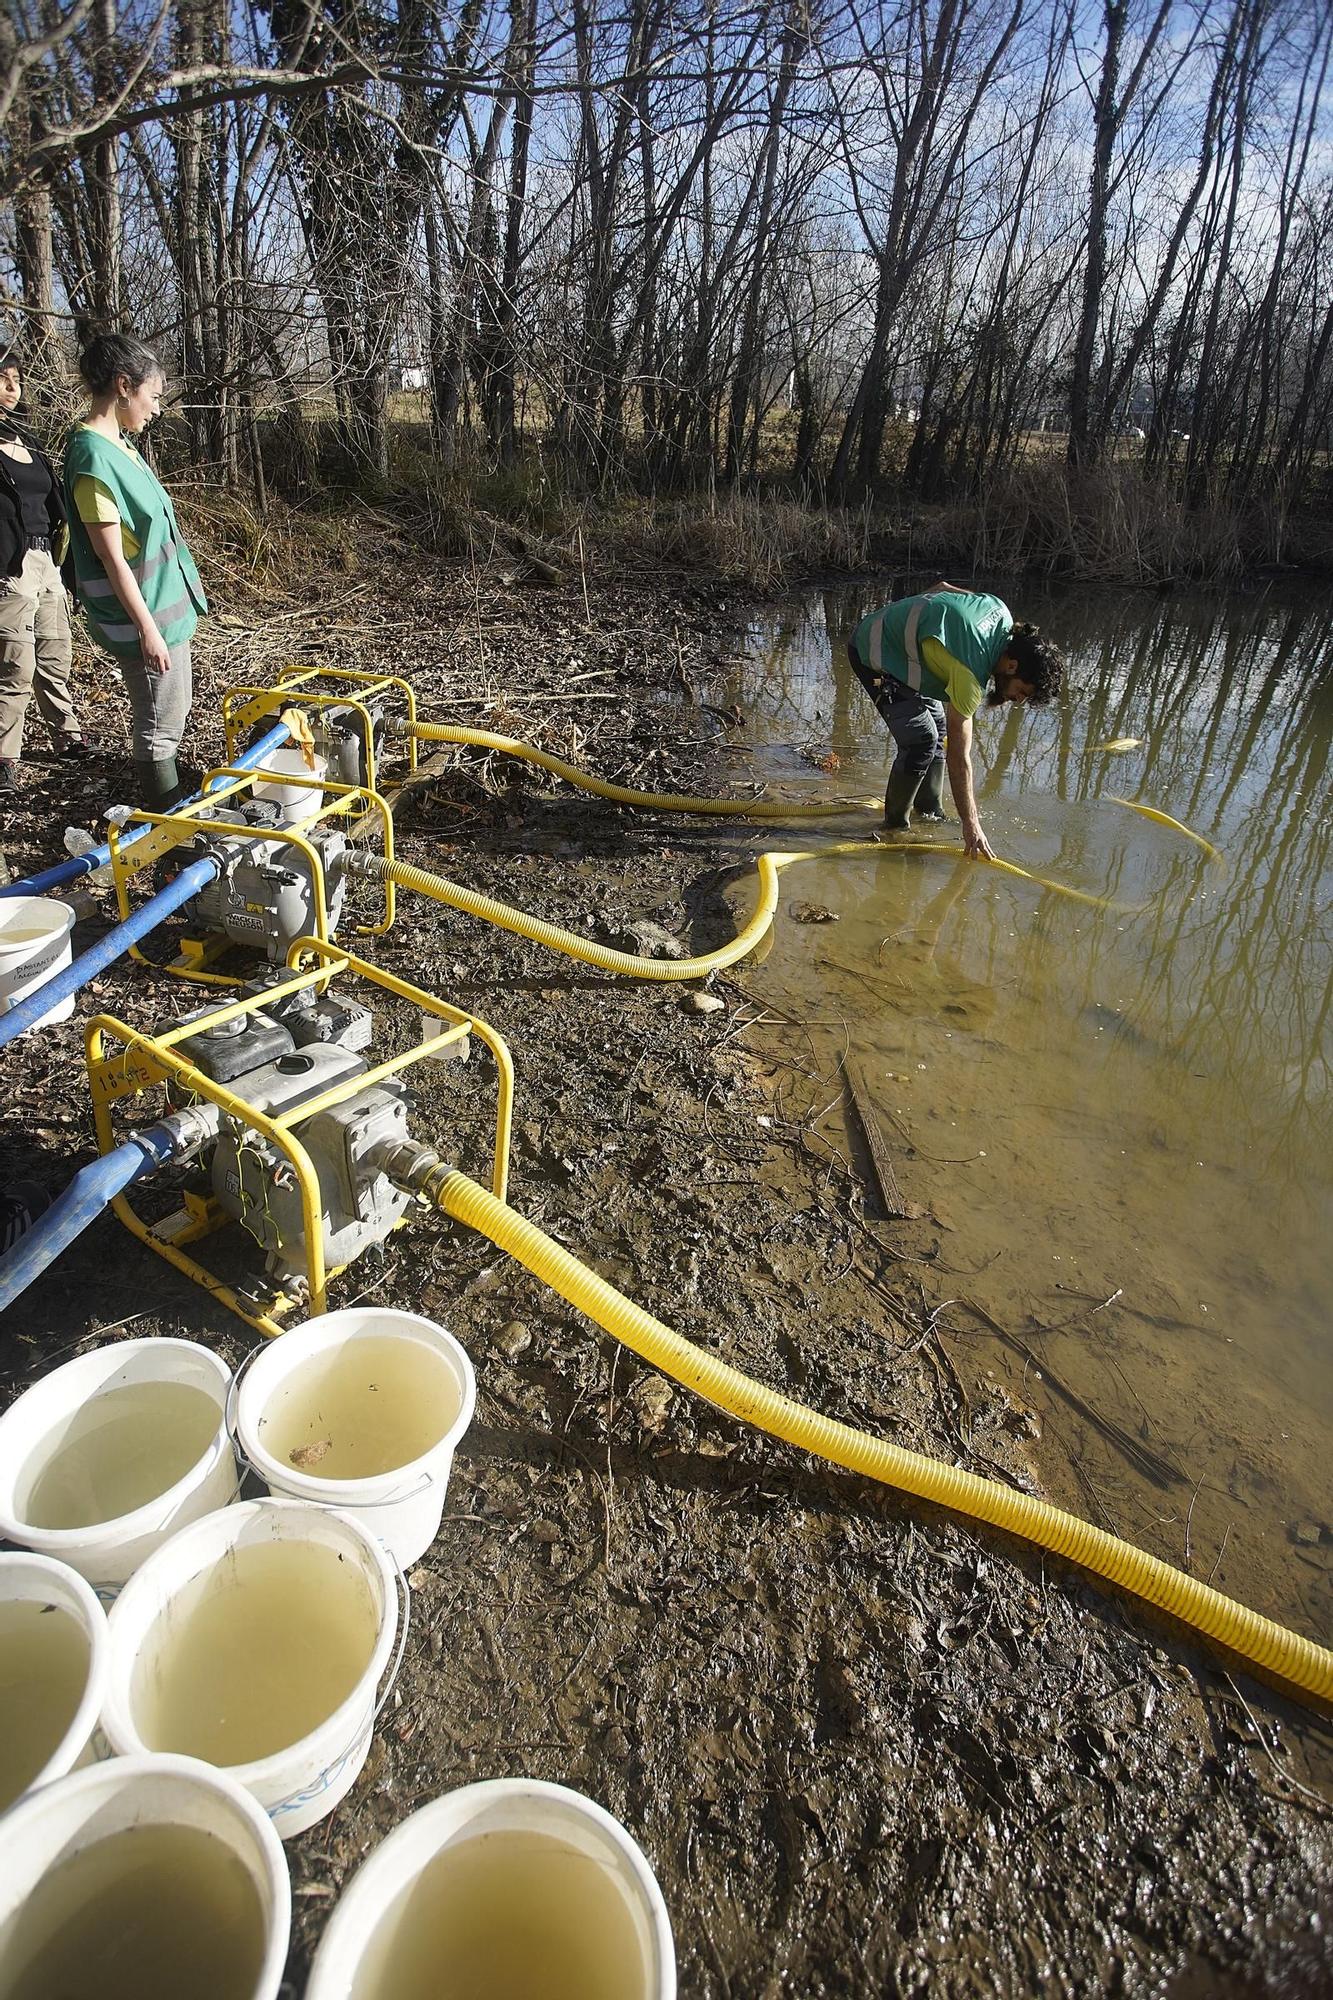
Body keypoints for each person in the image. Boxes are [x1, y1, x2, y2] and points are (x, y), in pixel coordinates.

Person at [63, 332, 207, 809]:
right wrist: (146, 629)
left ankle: (171, 808)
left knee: (175, 709)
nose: (157, 408)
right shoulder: (92, 458)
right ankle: (167, 827)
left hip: (165, 607)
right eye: (154, 396)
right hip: (142, 617)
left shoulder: (120, 445)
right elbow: (111, 557)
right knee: (159, 724)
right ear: (124, 386)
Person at [847, 581, 1065, 858]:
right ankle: (893, 828)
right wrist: (971, 824)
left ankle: (929, 813)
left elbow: (940, 588)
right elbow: (960, 757)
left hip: (904, 649)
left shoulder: (1000, 613)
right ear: (1012, 666)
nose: (1018, 700)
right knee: (921, 741)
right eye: (1021, 692)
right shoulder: (969, 676)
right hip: (872, 651)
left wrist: (918, 630)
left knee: (937, 734)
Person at [0, 342, 90, 795]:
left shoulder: (27, 439)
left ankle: (68, 738)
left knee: (55, 654)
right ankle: (4, 758)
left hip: (46, 560)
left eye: (17, 380)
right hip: (9, 568)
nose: (12, 389)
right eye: (3, 379)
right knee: (15, 666)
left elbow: (54, 505)